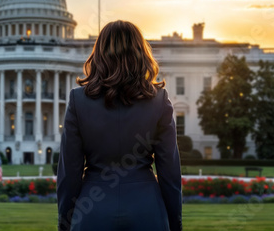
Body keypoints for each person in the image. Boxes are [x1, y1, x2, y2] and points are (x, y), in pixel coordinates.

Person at [57, 20, 182, 231]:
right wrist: (175, 224)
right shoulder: (159, 100)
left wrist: (64, 223)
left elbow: (69, 174)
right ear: (141, 53)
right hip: (147, 211)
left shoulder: (78, 100)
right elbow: (169, 173)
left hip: (92, 211)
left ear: (99, 54)